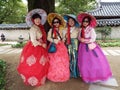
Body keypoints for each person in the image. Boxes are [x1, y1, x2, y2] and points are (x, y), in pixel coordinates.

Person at [17, 9, 49, 86]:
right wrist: (42, 44)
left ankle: (40, 77)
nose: (38, 20)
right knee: (34, 64)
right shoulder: (33, 28)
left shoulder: (40, 27)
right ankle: (33, 79)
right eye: (36, 19)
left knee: (41, 63)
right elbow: (33, 40)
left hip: (41, 46)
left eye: (39, 19)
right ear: (33, 20)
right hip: (35, 47)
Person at [77, 13, 112, 83]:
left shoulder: (91, 29)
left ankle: (94, 76)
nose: (85, 23)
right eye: (84, 21)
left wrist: (86, 40)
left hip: (90, 47)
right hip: (82, 48)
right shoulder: (81, 29)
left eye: (86, 21)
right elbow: (78, 37)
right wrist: (81, 39)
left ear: (89, 22)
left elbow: (93, 38)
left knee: (93, 62)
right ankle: (86, 75)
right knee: (84, 62)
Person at [47, 13, 70, 82]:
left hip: (61, 47)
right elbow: (48, 38)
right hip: (53, 46)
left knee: (62, 61)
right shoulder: (51, 30)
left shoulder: (62, 30)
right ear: (52, 23)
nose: (56, 23)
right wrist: (55, 40)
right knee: (54, 61)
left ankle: (61, 75)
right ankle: (54, 75)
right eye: (54, 22)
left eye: (57, 22)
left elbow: (63, 38)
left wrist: (64, 39)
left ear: (59, 22)